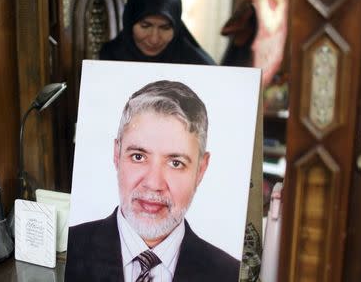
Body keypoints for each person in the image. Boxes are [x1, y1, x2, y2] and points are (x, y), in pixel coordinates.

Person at [65, 80, 240, 282]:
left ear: (201, 169)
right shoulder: (68, 249)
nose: (154, 184)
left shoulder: (229, 274)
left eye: (176, 163)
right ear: (116, 154)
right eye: (138, 156)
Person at [99, 0, 216, 65]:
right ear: (130, 21)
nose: (154, 39)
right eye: (145, 26)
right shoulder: (108, 57)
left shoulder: (199, 66)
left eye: (165, 28)